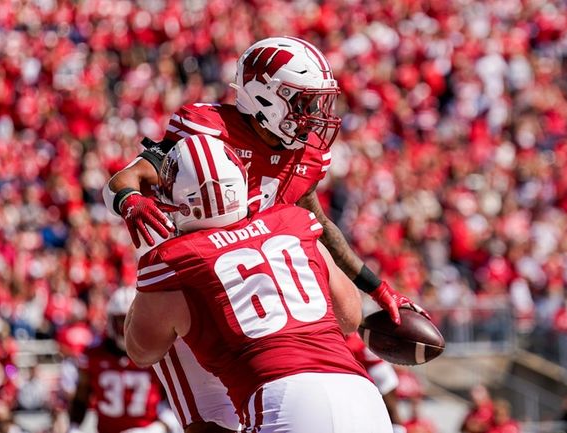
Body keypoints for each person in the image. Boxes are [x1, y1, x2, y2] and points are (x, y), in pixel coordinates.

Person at [105, 35, 423, 433]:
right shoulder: (208, 133)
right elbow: (128, 177)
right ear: (265, 97)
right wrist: (130, 199)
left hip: (258, 291)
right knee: (210, 418)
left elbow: (321, 226)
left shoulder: (303, 159)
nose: (313, 115)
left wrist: (378, 288)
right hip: (199, 285)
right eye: (303, 102)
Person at [124, 135, 393, 433]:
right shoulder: (294, 222)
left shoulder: (173, 260)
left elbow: (142, 351)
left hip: (282, 401)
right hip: (360, 395)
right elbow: (350, 316)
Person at [68, 287, 173, 433]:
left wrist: (160, 427)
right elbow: (81, 398)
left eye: (133, 321)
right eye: (121, 321)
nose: (127, 329)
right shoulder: (94, 355)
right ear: (110, 321)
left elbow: (173, 400)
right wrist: (74, 427)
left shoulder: (158, 353)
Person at [345, 332, 403, 432]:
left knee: (391, 411)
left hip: (380, 374)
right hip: (376, 374)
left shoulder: (354, 340)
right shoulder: (361, 335)